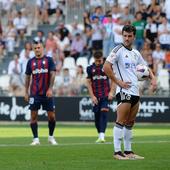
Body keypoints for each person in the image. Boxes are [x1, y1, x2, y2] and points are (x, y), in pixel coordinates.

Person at [103, 25, 156, 159]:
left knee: (130, 122)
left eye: (129, 36)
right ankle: (117, 152)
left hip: (135, 91)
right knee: (120, 121)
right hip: (123, 90)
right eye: (125, 36)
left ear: (134, 36)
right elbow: (106, 67)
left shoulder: (136, 53)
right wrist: (118, 82)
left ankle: (128, 151)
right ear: (122, 35)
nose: (126, 38)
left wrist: (153, 79)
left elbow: (146, 68)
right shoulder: (118, 50)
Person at [24, 39, 57, 145]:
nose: (37, 49)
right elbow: (27, 78)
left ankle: (51, 137)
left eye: (39, 48)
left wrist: (50, 88)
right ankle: (35, 139)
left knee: (51, 116)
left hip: (47, 93)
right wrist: (26, 92)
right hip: (34, 93)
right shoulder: (30, 62)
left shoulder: (49, 60)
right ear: (33, 49)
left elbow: (52, 75)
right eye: (35, 48)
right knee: (33, 116)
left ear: (42, 48)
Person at [86, 51, 115, 143]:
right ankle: (100, 135)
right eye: (97, 61)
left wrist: (111, 92)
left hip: (105, 96)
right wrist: (92, 96)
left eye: (100, 60)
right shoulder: (90, 69)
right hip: (96, 97)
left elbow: (114, 80)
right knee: (97, 118)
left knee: (103, 114)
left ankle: (102, 136)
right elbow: (88, 83)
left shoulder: (107, 67)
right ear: (94, 59)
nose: (99, 62)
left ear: (103, 58)